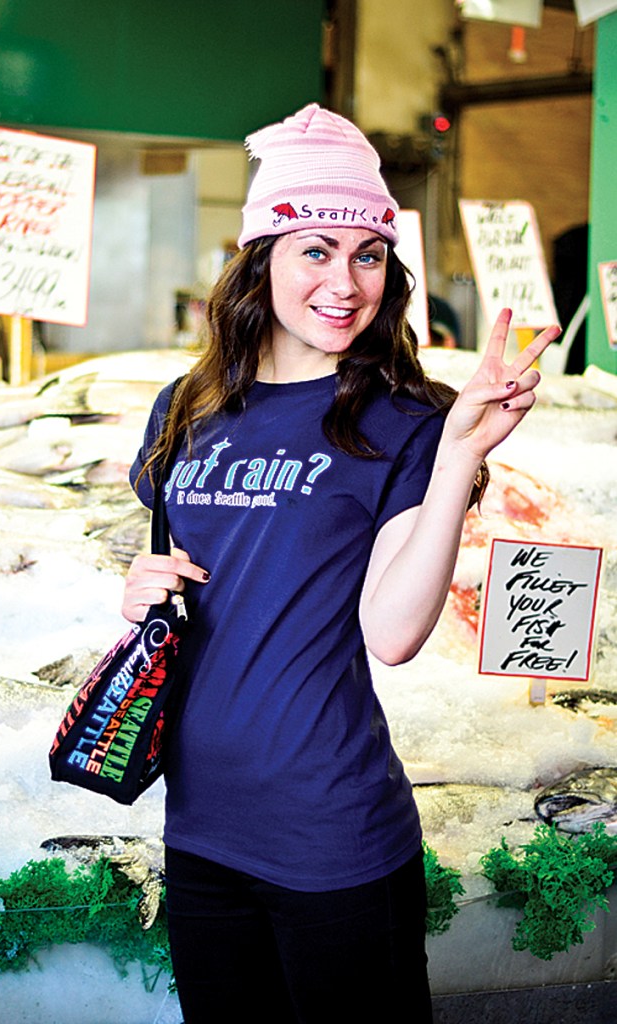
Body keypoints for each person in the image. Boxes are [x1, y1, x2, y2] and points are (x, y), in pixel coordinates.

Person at [123, 104, 560, 1024]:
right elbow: (196, 569)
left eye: (367, 253)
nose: (344, 280)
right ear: (260, 261)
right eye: (314, 249)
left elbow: (392, 634)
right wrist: (137, 585)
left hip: (333, 833)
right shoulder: (186, 406)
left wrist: (456, 457)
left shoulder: (404, 421)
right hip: (199, 827)